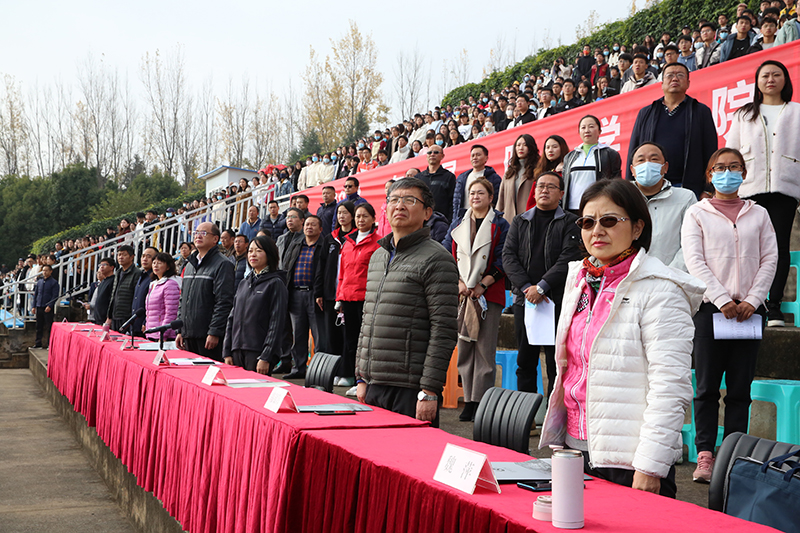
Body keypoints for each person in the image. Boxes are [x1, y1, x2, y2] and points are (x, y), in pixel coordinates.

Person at [540, 179, 705, 498]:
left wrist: (650, 465)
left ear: (638, 227)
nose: (597, 231)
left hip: (630, 461)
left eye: (609, 220)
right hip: (575, 450)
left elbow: (670, 385)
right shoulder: (579, 281)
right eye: (588, 222)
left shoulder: (661, 290)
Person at [681, 148, 778, 483]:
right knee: (707, 387)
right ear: (709, 175)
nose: (727, 173)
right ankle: (706, 455)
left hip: (750, 312)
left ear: (744, 174)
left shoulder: (759, 213)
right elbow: (695, 261)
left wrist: (753, 299)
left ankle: (735, 455)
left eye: (734, 167)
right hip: (711, 310)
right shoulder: (697, 213)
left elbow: (770, 258)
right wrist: (722, 299)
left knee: (740, 388)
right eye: (719, 168)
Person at [355, 177, 459, 427]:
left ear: (427, 213)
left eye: (410, 200)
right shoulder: (378, 256)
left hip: (410, 388)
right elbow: (368, 320)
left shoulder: (437, 259)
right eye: (394, 199)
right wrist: (361, 376)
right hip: (374, 384)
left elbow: (444, 330)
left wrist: (429, 390)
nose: (400, 205)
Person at [503, 172, 581, 398]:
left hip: (556, 300)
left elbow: (569, 258)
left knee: (556, 362)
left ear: (561, 194)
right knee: (525, 361)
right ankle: (527, 412)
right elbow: (508, 256)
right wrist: (527, 288)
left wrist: (542, 287)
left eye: (551, 187)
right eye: (540, 186)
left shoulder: (570, 222)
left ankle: (553, 414)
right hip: (525, 300)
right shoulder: (520, 221)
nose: (544, 190)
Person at [442, 178, 509, 421]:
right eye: (472, 193)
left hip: (487, 294)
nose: (475, 197)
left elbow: (503, 259)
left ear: (491, 197)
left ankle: (480, 401)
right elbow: (446, 253)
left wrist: (483, 284)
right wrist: (459, 283)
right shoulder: (458, 223)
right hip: (462, 293)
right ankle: (469, 400)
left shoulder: (500, 224)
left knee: (484, 349)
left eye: (481, 193)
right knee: (465, 347)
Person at [626, 63, 717, 199]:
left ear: (688, 83)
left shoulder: (700, 111)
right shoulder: (646, 113)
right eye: (669, 75)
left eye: (680, 75)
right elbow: (634, 151)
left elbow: (711, 152)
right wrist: (629, 188)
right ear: (662, 83)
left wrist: (709, 189)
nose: (675, 78)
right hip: (650, 186)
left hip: (688, 187)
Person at [223, 235, 288, 374]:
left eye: (258, 251)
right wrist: (227, 351)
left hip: (258, 352)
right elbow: (232, 318)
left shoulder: (275, 283)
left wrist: (266, 356)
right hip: (237, 350)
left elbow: (276, 323)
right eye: (250, 251)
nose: (253, 254)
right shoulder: (244, 283)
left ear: (269, 254)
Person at [336, 203, 382, 394]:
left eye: (365, 216)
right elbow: (342, 273)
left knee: (365, 341)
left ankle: (363, 379)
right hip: (348, 297)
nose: (361, 220)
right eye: (358, 216)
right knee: (350, 339)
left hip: (367, 298)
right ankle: (349, 374)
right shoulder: (347, 242)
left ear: (373, 219)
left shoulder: (379, 242)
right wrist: (339, 297)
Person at [629, 142, 696, 270]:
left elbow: (691, 243)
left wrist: (668, 274)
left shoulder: (686, 198)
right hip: (629, 276)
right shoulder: (620, 198)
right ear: (632, 170)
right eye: (641, 160)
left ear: (665, 167)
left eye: (654, 159)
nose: (647, 164)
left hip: (673, 276)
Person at [176, 222, 235, 361]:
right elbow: (183, 300)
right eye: (196, 233)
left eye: (203, 233)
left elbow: (224, 302)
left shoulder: (223, 264)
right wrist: (180, 330)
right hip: (188, 334)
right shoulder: (190, 265)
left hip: (207, 336)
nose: (198, 236)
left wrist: (214, 332)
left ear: (215, 239)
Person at [282, 215, 325, 379]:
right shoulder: (296, 245)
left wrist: (321, 293)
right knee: (298, 334)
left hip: (315, 295)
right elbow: (287, 267)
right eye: (307, 224)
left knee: (319, 336)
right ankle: (298, 368)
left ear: (320, 229)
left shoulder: (323, 246)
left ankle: (318, 372)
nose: (309, 227)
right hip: (296, 294)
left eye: (313, 224)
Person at [314, 201, 355, 359]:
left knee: (348, 335)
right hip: (330, 294)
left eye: (345, 212)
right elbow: (321, 267)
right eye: (339, 213)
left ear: (352, 215)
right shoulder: (330, 238)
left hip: (350, 295)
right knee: (331, 335)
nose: (341, 216)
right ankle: (334, 369)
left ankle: (347, 368)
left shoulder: (356, 238)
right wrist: (319, 292)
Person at [562, 115, 622, 214]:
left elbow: (616, 182)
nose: (587, 130)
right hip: (571, 209)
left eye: (591, 126)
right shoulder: (569, 157)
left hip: (597, 207)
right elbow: (564, 183)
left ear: (599, 131)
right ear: (579, 132)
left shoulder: (610, 154)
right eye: (583, 127)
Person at [498, 134, 540, 225]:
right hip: (509, 220)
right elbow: (501, 198)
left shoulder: (537, 169)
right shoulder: (510, 171)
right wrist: (498, 216)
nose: (521, 148)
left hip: (530, 219)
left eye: (525, 145)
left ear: (531, 147)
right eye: (518, 145)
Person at [452, 145, 502, 217]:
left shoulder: (494, 178)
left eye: (478, 155)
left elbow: (496, 200)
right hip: (464, 217)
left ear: (486, 158)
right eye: (472, 155)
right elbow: (456, 202)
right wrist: (455, 218)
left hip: (485, 217)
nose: (475, 158)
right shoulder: (462, 178)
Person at [526, 135, 569, 210]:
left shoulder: (568, 169)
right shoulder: (540, 171)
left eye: (554, 147)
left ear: (562, 148)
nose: (550, 150)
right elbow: (531, 201)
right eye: (547, 147)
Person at [144, 253, 181, 341]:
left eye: (159, 263)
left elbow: (171, 313)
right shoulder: (154, 284)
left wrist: (163, 335)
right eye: (154, 263)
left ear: (168, 267)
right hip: (153, 333)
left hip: (165, 336)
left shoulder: (171, 284)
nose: (155, 265)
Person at [106, 245, 142, 333]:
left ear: (132, 257)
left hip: (127, 316)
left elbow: (136, 296)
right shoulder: (118, 273)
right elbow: (113, 295)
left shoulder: (137, 273)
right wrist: (109, 316)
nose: (120, 257)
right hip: (115, 315)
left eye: (124, 255)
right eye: (119, 255)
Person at [418, 145, 457, 223]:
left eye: (436, 152)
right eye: (429, 152)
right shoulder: (418, 177)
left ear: (442, 156)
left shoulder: (449, 177)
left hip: (441, 222)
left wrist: (450, 222)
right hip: (420, 221)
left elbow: (452, 202)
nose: (432, 154)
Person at [131, 247, 156, 336]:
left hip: (145, 326)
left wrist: (145, 321)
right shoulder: (142, 275)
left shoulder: (154, 277)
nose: (145, 259)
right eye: (143, 256)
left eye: (148, 256)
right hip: (135, 324)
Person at [32, 265, 59, 348]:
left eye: (46, 270)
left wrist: (50, 305)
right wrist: (34, 306)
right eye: (43, 270)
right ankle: (38, 343)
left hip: (48, 307)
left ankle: (49, 344)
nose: (44, 272)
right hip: (39, 305)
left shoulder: (54, 282)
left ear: (51, 271)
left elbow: (55, 295)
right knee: (38, 326)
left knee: (49, 326)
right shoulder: (39, 282)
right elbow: (36, 294)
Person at [84, 258, 115, 324]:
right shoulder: (102, 282)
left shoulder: (113, 281)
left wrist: (109, 318)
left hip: (106, 319)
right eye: (100, 265)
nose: (102, 267)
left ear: (112, 267)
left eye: (104, 264)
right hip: (98, 318)